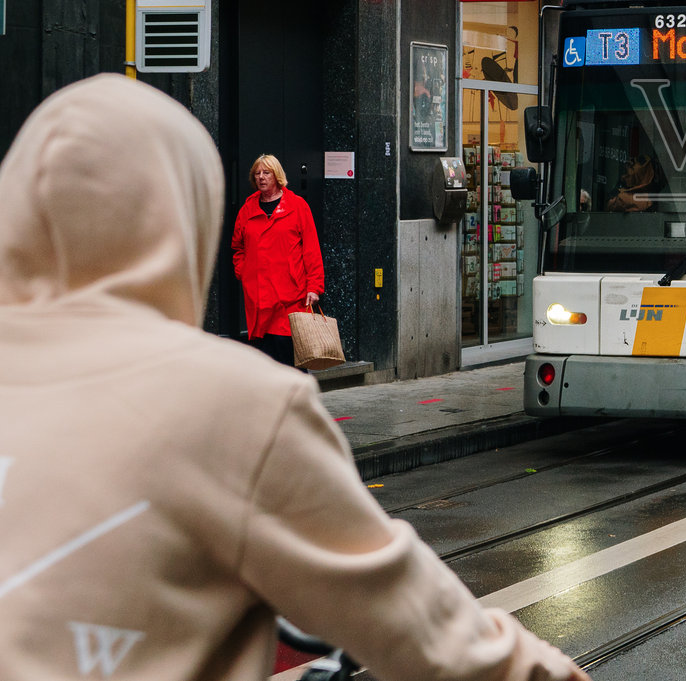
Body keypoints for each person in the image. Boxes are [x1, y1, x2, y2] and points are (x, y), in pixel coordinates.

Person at [0, 75, 589, 681]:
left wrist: (309, 285)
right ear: (182, 217)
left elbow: (309, 249)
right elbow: (432, 636)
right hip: (261, 308)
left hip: (287, 301)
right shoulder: (232, 406)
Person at [232, 153, 324, 367]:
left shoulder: (298, 206)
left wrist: (314, 287)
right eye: (257, 174)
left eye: (266, 173)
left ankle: (297, 399)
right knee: (266, 359)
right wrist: (244, 272)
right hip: (259, 298)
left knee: (290, 357)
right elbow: (238, 247)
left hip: (290, 296)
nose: (261, 177)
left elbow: (311, 250)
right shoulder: (247, 210)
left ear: (277, 176)